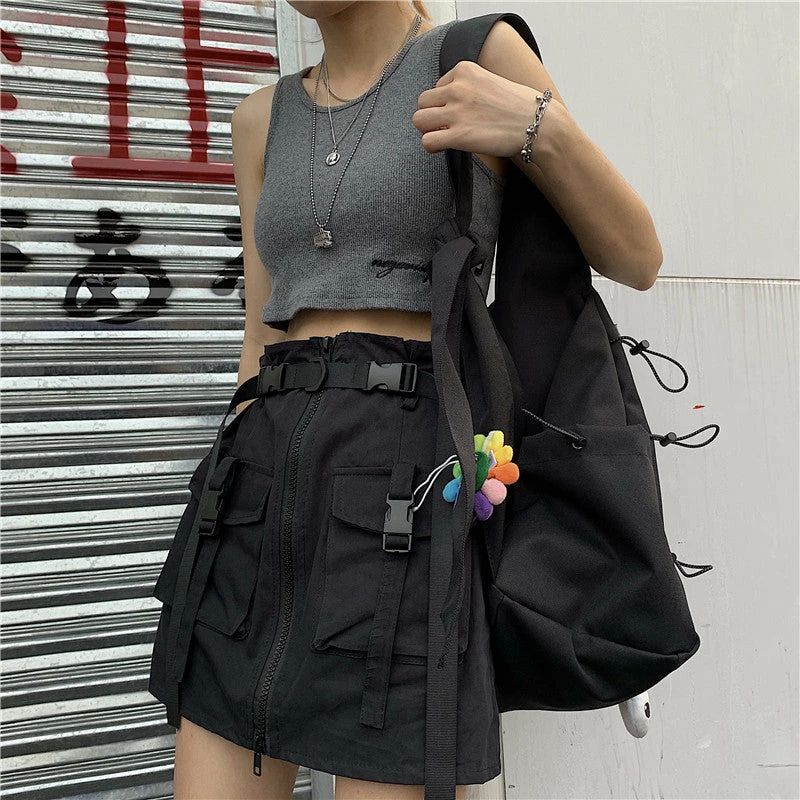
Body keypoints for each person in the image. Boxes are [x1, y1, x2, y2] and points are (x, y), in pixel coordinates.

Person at [148, 1, 663, 798]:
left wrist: (538, 126)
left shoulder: (479, 54)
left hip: (402, 494)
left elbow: (637, 256)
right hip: (255, 499)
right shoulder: (259, 119)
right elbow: (259, 329)